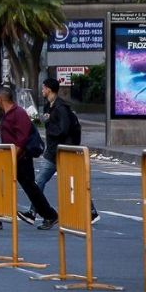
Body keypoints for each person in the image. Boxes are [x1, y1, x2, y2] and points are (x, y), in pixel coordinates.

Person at [0, 87, 58, 231]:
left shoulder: (19, 113)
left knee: (30, 188)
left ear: (1, 98)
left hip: (21, 157)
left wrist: (12, 157)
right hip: (9, 155)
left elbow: (22, 139)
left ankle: (50, 215)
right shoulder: (5, 114)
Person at [22, 78, 98, 225]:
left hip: (64, 152)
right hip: (53, 152)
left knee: (74, 182)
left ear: (49, 89)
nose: (42, 90)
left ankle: (91, 211)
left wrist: (48, 122)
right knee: (40, 181)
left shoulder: (61, 108)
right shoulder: (48, 106)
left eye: (43, 88)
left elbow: (63, 130)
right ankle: (33, 212)